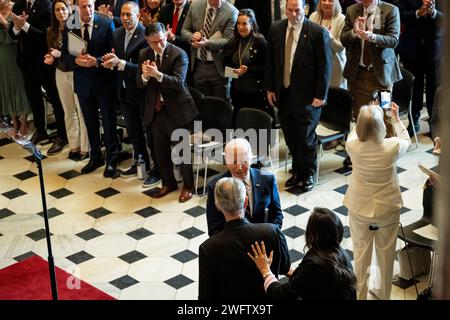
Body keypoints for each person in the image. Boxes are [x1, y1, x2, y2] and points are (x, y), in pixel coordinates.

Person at [343, 102, 411, 300]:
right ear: (381, 126)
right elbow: (406, 138)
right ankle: (383, 294)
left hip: (359, 208)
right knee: (386, 254)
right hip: (387, 208)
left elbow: (356, 132)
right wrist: (395, 119)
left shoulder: (352, 145)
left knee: (361, 254)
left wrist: (369, 114)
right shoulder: (392, 146)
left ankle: (361, 295)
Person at [265, 0, 332, 192]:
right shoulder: (276, 28)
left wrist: (320, 95)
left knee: (306, 138)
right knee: (291, 135)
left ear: (306, 9)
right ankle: (297, 170)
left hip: (309, 96)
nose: (293, 15)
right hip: (284, 92)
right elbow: (271, 60)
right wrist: (270, 88)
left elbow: (325, 67)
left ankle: (308, 173)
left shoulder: (317, 33)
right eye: (289, 10)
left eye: (297, 11)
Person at [199, 176, 291, 300]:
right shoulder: (272, 231)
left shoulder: (208, 248)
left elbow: (206, 295)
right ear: (245, 202)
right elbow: (285, 267)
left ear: (217, 206)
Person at [101, 1, 161, 186]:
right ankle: (140, 163)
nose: (126, 18)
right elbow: (117, 58)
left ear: (138, 15)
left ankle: (158, 169)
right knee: (134, 132)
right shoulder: (117, 33)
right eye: (123, 14)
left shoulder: (146, 35)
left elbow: (146, 67)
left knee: (150, 133)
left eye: (130, 15)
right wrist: (109, 61)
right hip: (124, 90)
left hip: (143, 91)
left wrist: (121, 64)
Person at [136, 22, 197, 202]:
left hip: (177, 109)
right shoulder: (144, 54)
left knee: (182, 151)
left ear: (165, 36)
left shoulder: (179, 54)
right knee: (160, 151)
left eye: (161, 40)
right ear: (147, 41)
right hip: (156, 110)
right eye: (154, 42)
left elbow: (179, 82)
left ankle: (188, 186)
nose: (159, 45)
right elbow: (139, 84)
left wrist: (157, 74)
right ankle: (168, 183)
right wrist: (145, 76)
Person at [61, 0, 120, 177]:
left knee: (109, 123)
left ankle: (112, 159)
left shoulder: (105, 22)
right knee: (90, 122)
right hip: (83, 82)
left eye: (89, 6)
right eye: (83, 6)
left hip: (103, 81)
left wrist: (98, 61)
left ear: (94, 5)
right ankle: (95, 157)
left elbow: (114, 52)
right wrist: (75, 61)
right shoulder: (70, 24)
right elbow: (65, 53)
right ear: (77, 7)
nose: (87, 10)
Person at [248, 207, 357, 300]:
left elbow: (282, 294)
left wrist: (265, 270)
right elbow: (314, 279)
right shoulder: (342, 255)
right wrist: (291, 272)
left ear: (312, 234)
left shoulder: (314, 263)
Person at [9, 0, 68, 152]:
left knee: (54, 99)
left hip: (44, 60)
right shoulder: (19, 5)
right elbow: (13, 35)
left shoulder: (46, 5)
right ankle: (41, 130)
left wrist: (25, 26)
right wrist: (16, 27)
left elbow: (45, 35)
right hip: (25, 61)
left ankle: (62, 135)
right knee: (33, 97)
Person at [206, 138, 283, 236]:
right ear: (226, 161)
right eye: (234, 162)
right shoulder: (215, 187)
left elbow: (277, 216)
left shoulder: (268, 180)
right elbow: (214, 229)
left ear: (251, 159)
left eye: (243, 162)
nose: (239, 168)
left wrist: (266, 238)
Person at [341, 0, 402, 120]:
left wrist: (372, 37)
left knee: (385, 117)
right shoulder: (352, 10)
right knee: (361, 117)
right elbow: (343, 39)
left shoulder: (391, 10)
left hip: (382, 77)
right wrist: (354, 32)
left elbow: (394, 40)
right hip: (358, 75)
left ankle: (388, 139)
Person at [44, 0, 89, 161]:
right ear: (54, 13)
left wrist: (60, 55)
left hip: (76, 72)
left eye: (63, 9)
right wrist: (51, 57)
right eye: (57, 10)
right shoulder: (51, 31)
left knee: (81, 110)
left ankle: (85, 147)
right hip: (60, 72)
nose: (61, 12)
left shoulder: (76, 28)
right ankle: (74, 145)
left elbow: (79, 52)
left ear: (69, 10)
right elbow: (51, 52)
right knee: (68, 111)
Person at [397, 0, 443, 135]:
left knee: (433, 90)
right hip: (412, 49)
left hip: (434, 49)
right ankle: (413, 122)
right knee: (413, 89)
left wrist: (434, 13)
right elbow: (399, 13)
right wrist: (418, 13)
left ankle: (434, 125)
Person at [181, 0, 238, 100]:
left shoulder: (232, 11)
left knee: (222, 103)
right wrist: (192, 36)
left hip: (219, 67)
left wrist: (207, 43)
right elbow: (184, 30)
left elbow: (229, 40)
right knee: (203, 103)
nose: (219, 1)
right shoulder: (195, 5)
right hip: (199, 65)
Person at [224, 9, 271, 121]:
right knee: (239, 123)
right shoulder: (235, 40)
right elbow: (226, 60)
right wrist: (232, 70)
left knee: (252, 125)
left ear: (252, 24)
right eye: (239, 23)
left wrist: (248, 70)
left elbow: (267, 68)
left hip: (254, 93)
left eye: (245, 23)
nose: (241, 27)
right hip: (237, 90)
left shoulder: (260, 41)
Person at [0, 0, 30, 137]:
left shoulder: (15, 8)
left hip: (15, 53)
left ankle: (24, 121)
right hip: (1, 55)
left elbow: (18, 35)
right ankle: (14, 120)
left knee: (19, 87)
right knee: (6, 86)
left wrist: (4, 23)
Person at [310, 0, 347, 89]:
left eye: (330, 0)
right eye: (323, 0)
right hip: (316, 67)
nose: (326, 3)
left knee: (334, 99)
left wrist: (327, 36)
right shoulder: (313, 16)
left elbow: (340, 48)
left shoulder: (342, 19)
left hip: (335, 68)